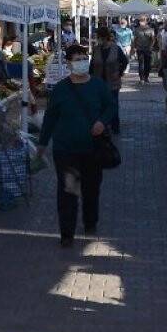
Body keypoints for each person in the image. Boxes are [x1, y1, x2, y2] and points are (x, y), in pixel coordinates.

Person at [37, 44, 116, 248]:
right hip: (66, 150)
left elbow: (111, 107)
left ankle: (90, 222)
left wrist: (102, 121)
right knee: (68, 191)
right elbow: (50, 118)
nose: (81, 61)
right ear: (69, 63)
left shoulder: (98, 86)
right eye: (77, 58)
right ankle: (67, 233)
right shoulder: (61, 89)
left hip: (92, 149)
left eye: (84, 57)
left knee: (91, 189)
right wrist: (42, 143)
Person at [90, 28, 127, 133]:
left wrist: (119, 73)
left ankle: (115, 126)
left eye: (99, 38)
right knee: (100, 104)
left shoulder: (116, 48)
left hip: (113, 81)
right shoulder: (96, 49)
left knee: (113, 103)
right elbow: (92, 65)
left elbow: (125, 61)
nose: (98, 40)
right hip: (98, 81)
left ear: (105, 37)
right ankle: (103, 125)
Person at [133, 18, 156, 83]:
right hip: (139, 49)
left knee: (147, 64)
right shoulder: (137, 30)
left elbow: (153, 39)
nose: (141, 22)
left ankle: (146, 77)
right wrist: (134, 47)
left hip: (148, 49)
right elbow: (134, 39)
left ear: (146, 21)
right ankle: (141, 78)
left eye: (142, 21)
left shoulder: (151, 30)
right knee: (141, 64)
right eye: (140, 21)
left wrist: (151, 46)